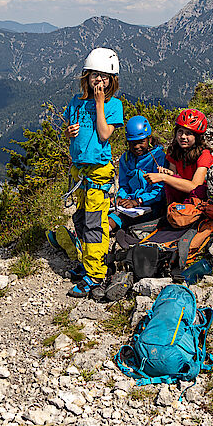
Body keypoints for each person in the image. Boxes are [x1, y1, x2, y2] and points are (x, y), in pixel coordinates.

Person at [58, 47, 124, 298]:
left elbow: (105, 134)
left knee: (95, 223)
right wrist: (69, 133)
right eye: (95, 75)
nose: (99, 80)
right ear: (86, 76)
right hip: (80, 172)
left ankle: (95, 275)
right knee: (81, 221)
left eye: (105, 77)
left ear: (112, 81)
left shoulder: (112, 105)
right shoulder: (76, 103)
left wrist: (98, 103)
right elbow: (70, 130)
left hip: (98, 172)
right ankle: (87, 264)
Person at [146, 109, 213, 204]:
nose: (183, 136)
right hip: (181, 195)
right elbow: (175, 177)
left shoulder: (204, 155)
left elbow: (195, 187)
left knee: (199, 190)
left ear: (197, 137)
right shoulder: (174, 151)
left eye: (188, 133)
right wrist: (169, 173)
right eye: (180, 132)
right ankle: (172, 211)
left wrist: (164, 177)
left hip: (198, 198)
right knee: (170, 183)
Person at [112, 116, 167, 232]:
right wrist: (120, 197)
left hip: (152, 206)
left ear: (149, 140)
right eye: (133, 143)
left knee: (117, 217)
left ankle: (96, 238)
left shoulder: (158, 158)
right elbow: (124, 185)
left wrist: (138, 201)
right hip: (132, 204)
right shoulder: (126, 159)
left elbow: (159, 191)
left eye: (141, 142)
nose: (137, 147)